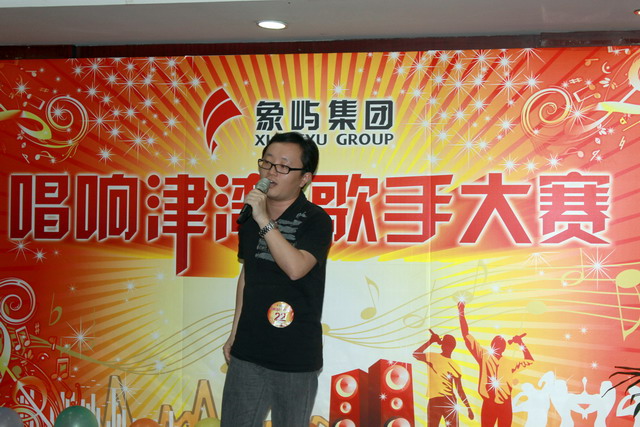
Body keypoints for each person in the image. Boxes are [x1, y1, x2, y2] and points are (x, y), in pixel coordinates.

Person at [221, 132, 333, 427]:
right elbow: (248, 275)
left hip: (295, 356)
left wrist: (264, 220)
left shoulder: (316, 219)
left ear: (304, 178)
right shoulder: (250, 218)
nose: (271, 172)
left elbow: (296, 268)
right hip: (248, 351)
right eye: (267, 163)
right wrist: (235, 332)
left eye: (283, 166)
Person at [458, 301, 534, 427]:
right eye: (497, 343)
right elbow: (466, 335)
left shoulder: (507, 362)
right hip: (490, 403)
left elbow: (529, 361)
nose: (498, 344)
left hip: (505, 404)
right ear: (493, 345)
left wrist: (521, 343)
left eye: (500, 343)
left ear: (502, 347)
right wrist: (461, 312)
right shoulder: (484, 356)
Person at [412, 329, 474, 426]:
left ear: (452, 347)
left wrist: (468, 407)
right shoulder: (432, 357)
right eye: (445, 343)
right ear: (442, 345)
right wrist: (431, 341)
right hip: (436, 400)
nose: (446, 346)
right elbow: (415, 354)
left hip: (448, 400)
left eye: (448, 344)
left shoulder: (455, 366)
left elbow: (460, 390)